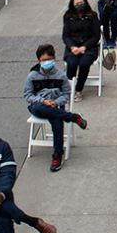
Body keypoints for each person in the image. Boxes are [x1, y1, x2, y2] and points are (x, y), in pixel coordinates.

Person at [25, 43, 88, 172]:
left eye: (49, 59)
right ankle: (72, 117)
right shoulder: (32, 76)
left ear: (54, 59)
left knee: (57, 120)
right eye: (44, 60)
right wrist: (43, 101)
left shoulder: (61, 75)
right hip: (39, 106)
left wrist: (57, 102)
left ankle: (57, 154)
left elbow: (66, 94)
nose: (46, 62)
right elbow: (28, 95)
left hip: (56, 106)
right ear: (39, 61)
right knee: (38, 108)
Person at [61, 0, 102, 99]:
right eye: (77, 3)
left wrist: (84, 47)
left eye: (81, 3)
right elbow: (66, 36)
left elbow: (96, 36)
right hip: (73, 47)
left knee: (84, 64)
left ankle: (78, 89)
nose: (79, 5)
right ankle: (69, 89)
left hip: (89, 47)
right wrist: (73, 47)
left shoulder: (92, 16)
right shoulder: (68, 16)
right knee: (72, 63)